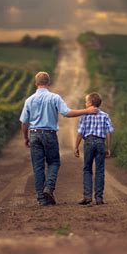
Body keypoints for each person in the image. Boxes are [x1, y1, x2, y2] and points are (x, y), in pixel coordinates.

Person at [20, 71, 98, 206]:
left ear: (35, 84)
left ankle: (41, 199)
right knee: (54, 162)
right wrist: (87, 111)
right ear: (48, 83)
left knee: (38, 167)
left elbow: (24, 122)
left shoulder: (29, 100)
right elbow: (67, 113)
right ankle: (49, 188)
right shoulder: (55, 98)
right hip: (49, 134)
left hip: (34, 134)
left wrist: (26, 138)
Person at [74, 92, 114, 205]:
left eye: (86, 101)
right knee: (100, 170)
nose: (85, 103)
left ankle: (87, 197)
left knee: (87, 169)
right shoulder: (105, 116)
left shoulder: (85, 115)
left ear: (90, 103)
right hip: (101, 143)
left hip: (89, 142)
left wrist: (76, 147)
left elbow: (80, 133)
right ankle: (99, 198)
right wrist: (109, 148)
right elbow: (108, 133)